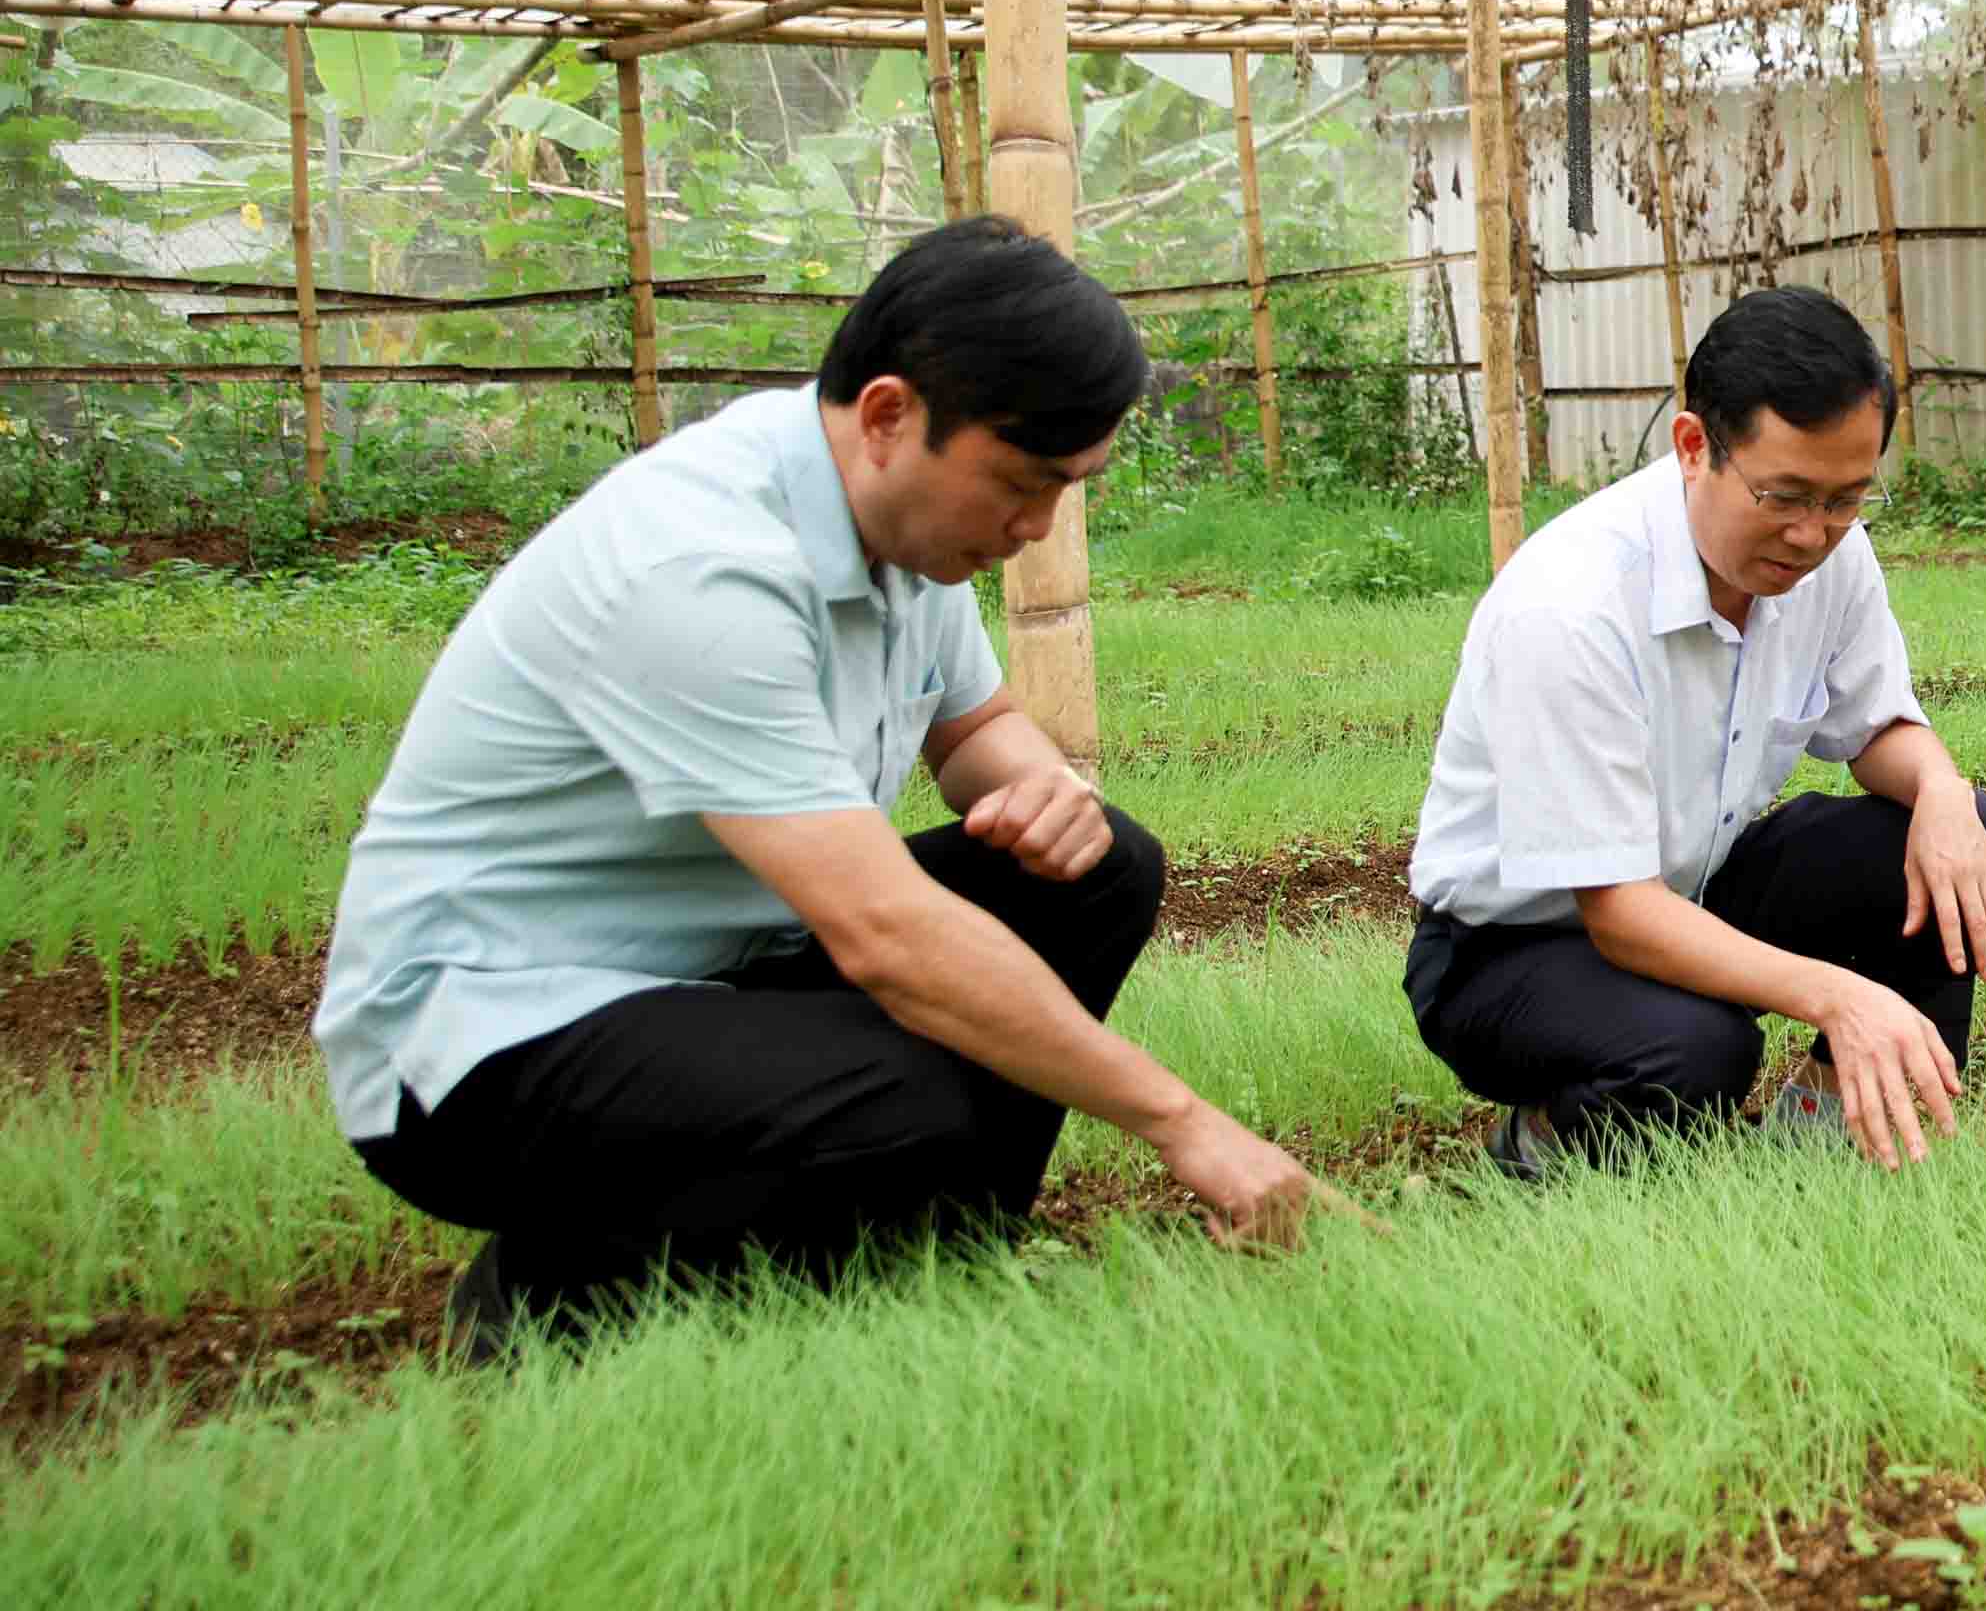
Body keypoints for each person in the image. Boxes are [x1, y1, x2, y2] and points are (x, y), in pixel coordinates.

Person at [319, 217, 1313, 1363]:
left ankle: (929, 1253)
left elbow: (974, 725)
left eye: (1065, 490)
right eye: (1022, 484)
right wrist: (1184, 1124)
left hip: (707, 970)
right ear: (889, 415)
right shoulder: (700, 571)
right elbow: (886, 934)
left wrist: (1044, 785)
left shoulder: (904, 528)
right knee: (904, 1094)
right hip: (485, 1044)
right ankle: (555, 1293)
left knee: (1100, 865)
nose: (1036, 527)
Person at [1404, 287, 1986, 1177]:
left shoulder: (1830, 552)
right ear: (1695, 448)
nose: (1814, 534)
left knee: (1967, 840)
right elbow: (1617, 914)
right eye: (1785, 495)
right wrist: (1839, 995)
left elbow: (1878, 724)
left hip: (1698, 884)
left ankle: (1832, 1147)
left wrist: (1945, 791)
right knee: (1699, 1053)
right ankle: (1534, 1145)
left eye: (1849, 497)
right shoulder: (1571, 608)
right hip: (1513, 949)